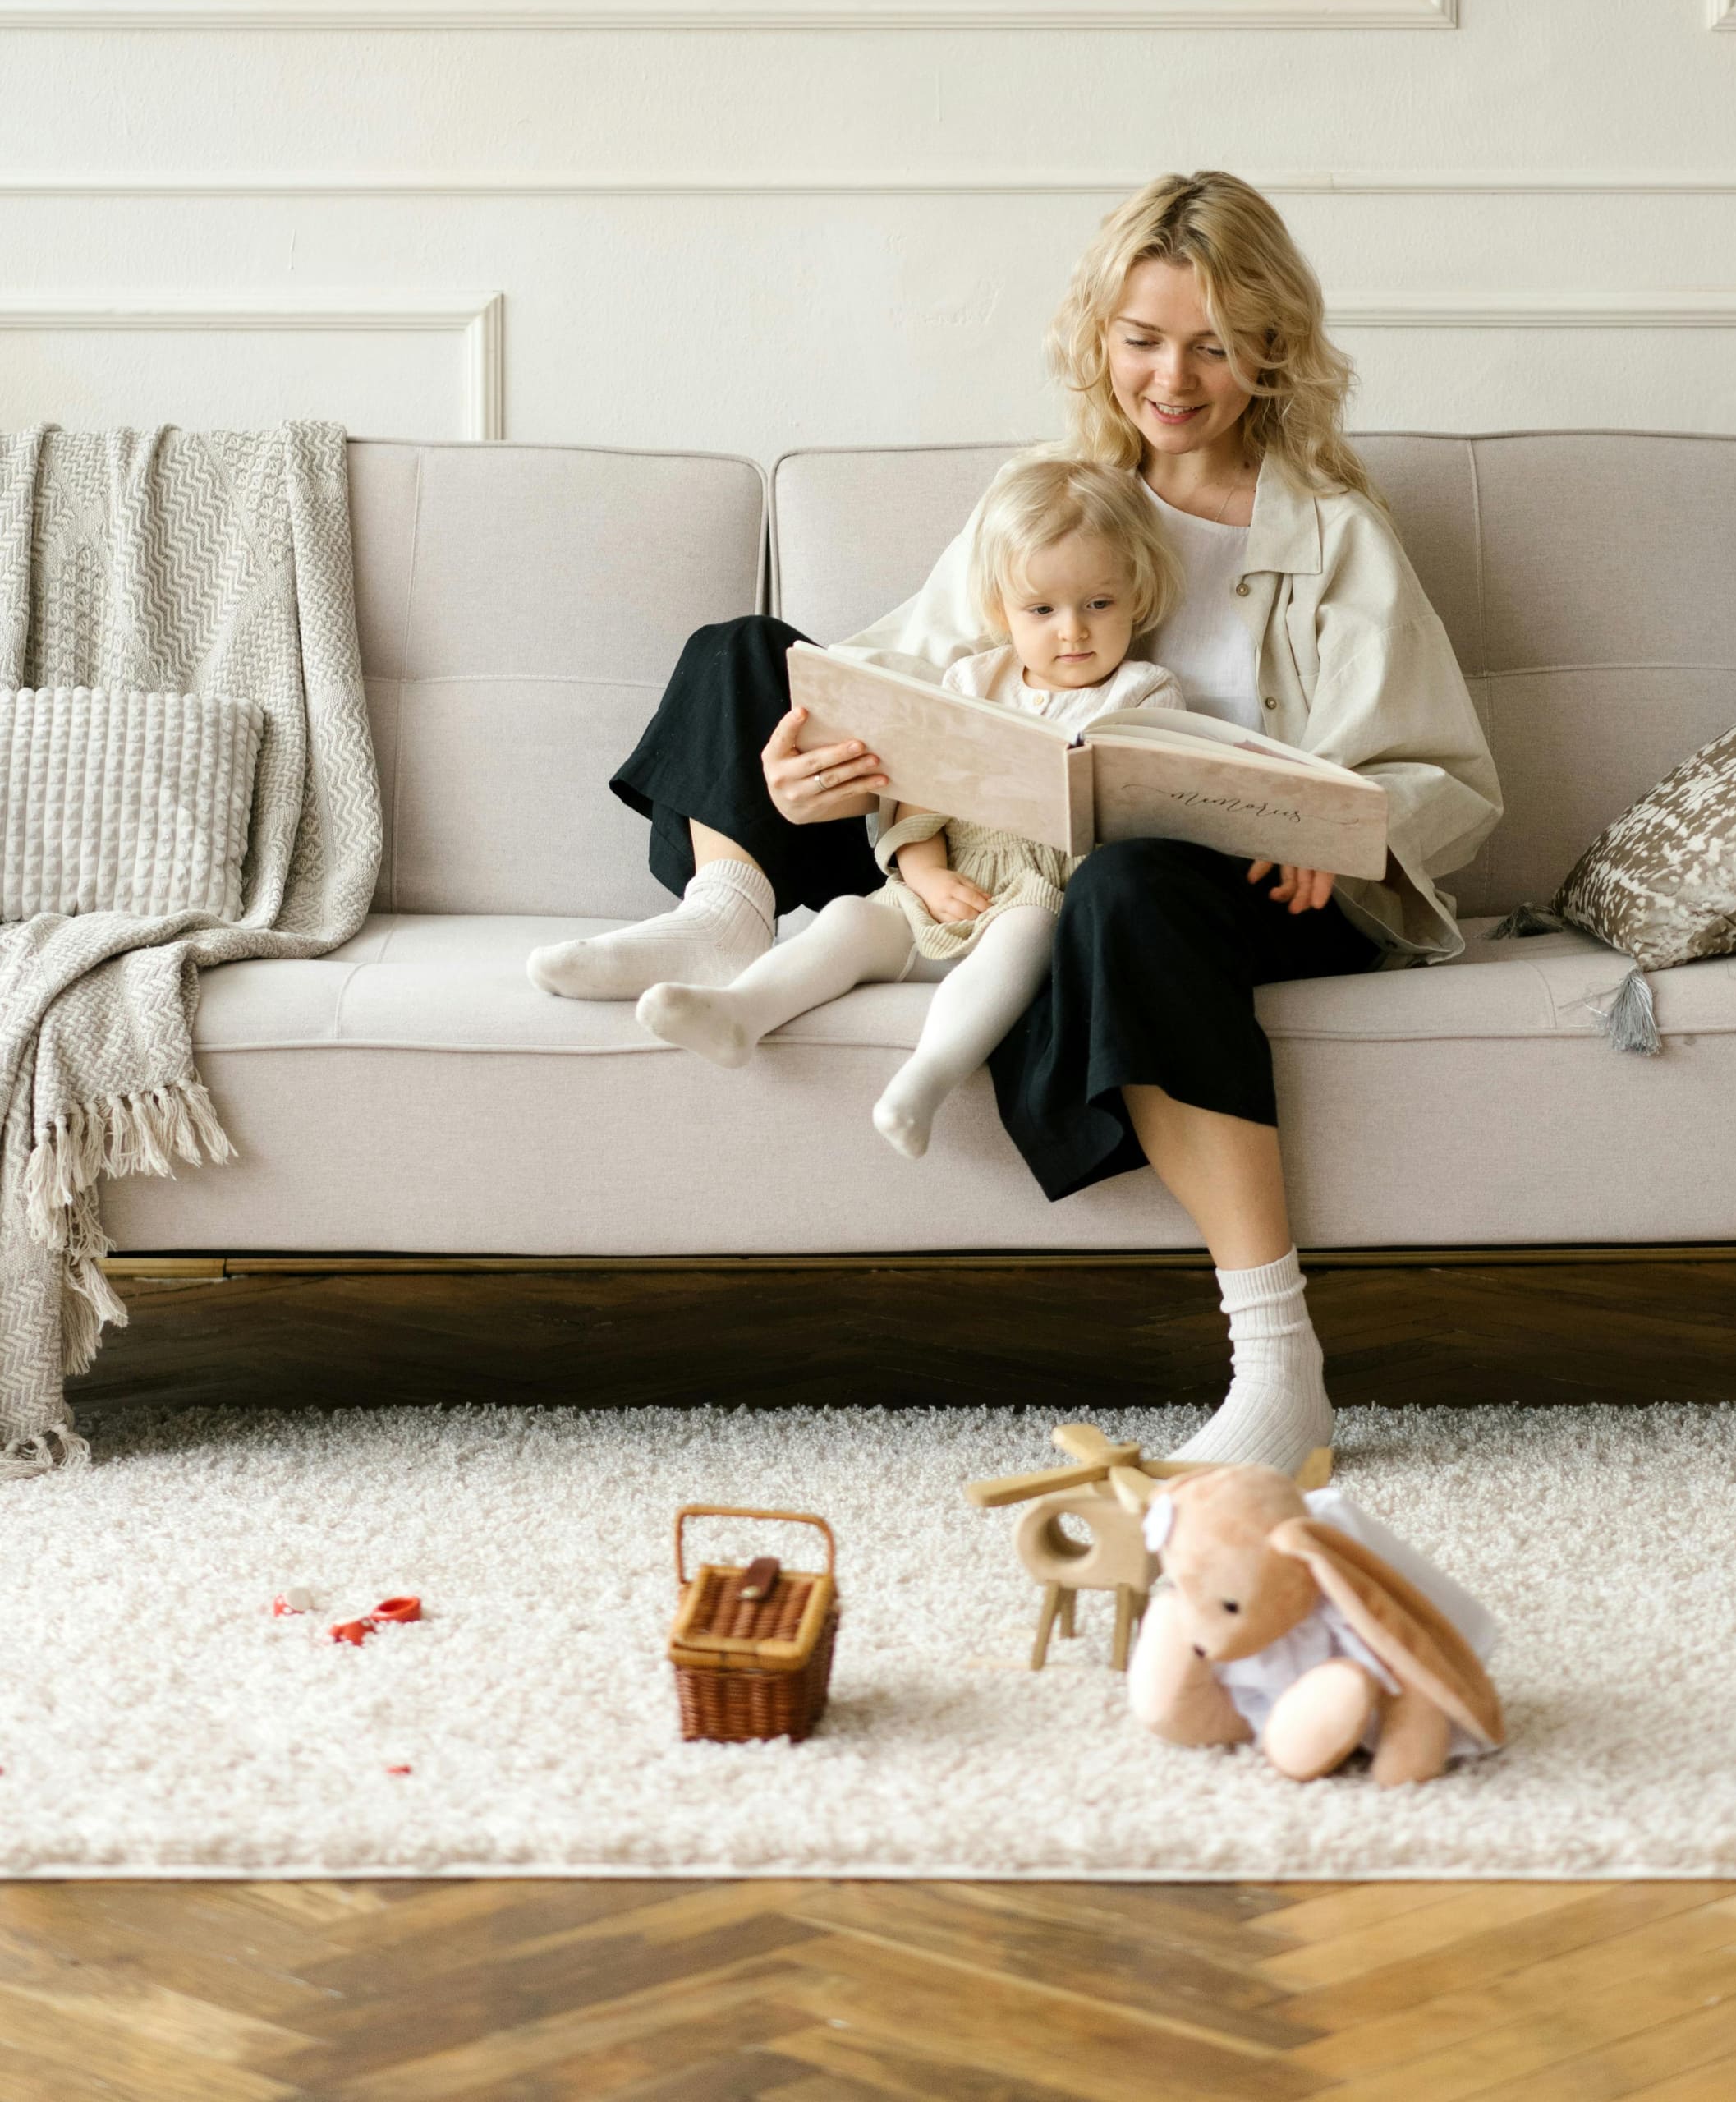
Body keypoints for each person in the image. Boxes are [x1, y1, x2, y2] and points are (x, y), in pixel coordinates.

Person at [533, 170, 1501, 1476]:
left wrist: (1330, 831)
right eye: (1142, 339)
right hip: (992, 856)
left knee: (1132, 884)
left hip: (1219, 895)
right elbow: (902, 677)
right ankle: (725, 917)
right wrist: (817, 764)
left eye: (1213, 344)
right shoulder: (1045, 497)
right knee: (743, 649)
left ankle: (1280, 1373)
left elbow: (1436, 770)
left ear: (1271, 349)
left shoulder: (1332, 537)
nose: (1173, 376)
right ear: (1098, 338)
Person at [628, 454, 1184, 1161]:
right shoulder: (971, 678)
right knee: (851, 918)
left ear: (1138, 596)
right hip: (946, 876)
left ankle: (923, 1080)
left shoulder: (1144, 693)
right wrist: (922, 873)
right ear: (1001, 613)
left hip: (1044, 892)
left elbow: (1152, 812)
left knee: (1021, 939)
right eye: (1042, 611)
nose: (1071, 631)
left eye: (1098, 605)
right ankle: (738, 1011)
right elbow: (916, 792)